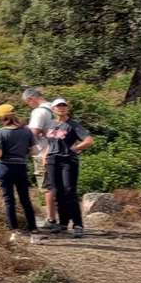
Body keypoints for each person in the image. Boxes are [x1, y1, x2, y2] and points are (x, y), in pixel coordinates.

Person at [44, 97, 94, 236]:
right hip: (53, 159)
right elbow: (51, 143)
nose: (61, 108)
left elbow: (89, 141)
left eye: (64, 106)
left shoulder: (73, 124)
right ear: (53, 109)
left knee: (69, 192)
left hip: (68, 160)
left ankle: (78, 224)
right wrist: (45, 156)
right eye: (58, 106)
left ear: (68, 108)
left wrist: (76, 148)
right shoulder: (51, 124)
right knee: (57, 192)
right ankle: (63, 223)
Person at [0, 104, 39, 243]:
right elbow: (35, 151)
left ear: (2, 117)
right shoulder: (27, 132)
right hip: (21, 166)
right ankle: (34, 233)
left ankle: (14, 232)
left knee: (9, 200)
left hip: (5, 167)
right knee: (26, 200)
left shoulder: (0, 132)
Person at [23, 88, 59, 228]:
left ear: (31, 99)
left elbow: (34, 134)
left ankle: (51, 219)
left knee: (47, 187)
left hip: (43, 153)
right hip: (58, 152)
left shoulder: (38, 112)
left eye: (28, 102)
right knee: (58, 186)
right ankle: (62, 219)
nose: (29, 105)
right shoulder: (54, 108)